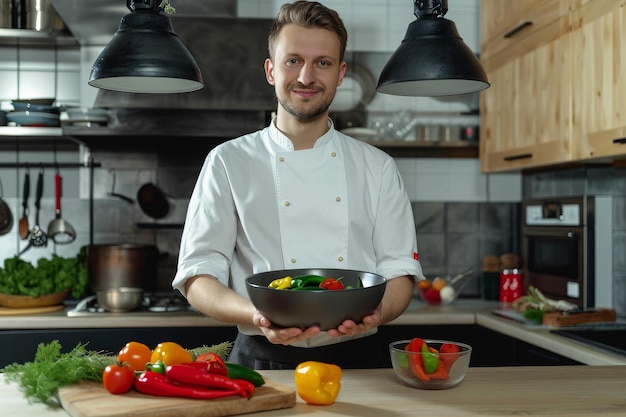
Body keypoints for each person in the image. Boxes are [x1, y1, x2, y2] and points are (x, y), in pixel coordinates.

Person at [173, 0, 425, 369]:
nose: (306, 77)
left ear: (340, 74)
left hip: (360, 361)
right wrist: (255, 313)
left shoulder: (378, 167)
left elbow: (398, 271)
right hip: (261, 359)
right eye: (293, 60)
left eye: (322, 63)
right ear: (270, 70)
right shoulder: (227, 162)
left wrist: (378, 312)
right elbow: (198, 274)